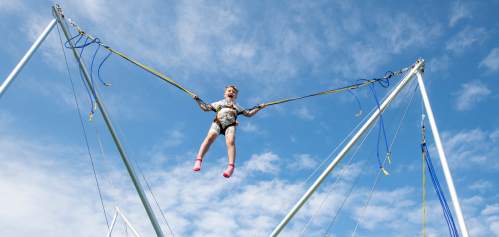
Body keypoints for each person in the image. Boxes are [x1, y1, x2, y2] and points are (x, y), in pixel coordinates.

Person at [191, 85, 266, 178]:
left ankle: (231, 167)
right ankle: (198, 160)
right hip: (218, 122)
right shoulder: (218, 103)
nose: (231, 92)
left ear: (236, 96)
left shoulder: (238, 106)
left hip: (230, 125)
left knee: (230, 141)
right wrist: (197, 100)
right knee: (210, 137)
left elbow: (249, 114)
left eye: (233, 92)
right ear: (224, 94)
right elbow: (206, 108)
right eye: (229, 91)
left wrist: (259, 108)